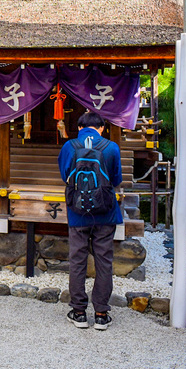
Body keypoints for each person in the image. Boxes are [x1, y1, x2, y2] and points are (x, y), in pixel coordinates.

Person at [57, 111, 123, 331]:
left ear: (79, 127)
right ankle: (102, 314)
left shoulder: (69, 147)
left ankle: (78, 312)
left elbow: (65, 173)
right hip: (105, 212)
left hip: (77, 212)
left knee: (77, 260)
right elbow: (116, 179)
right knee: (104, 260)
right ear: (102, 128)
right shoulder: (111, 147)